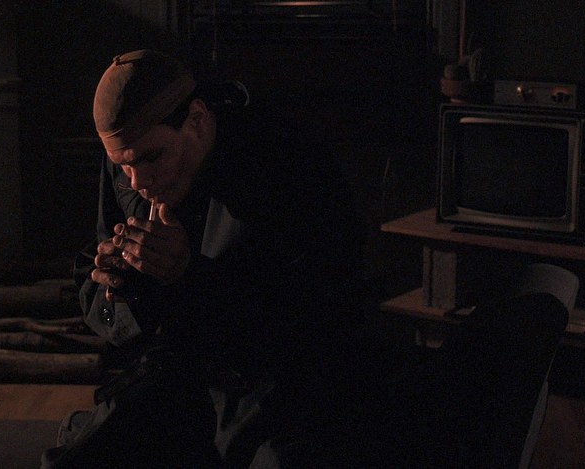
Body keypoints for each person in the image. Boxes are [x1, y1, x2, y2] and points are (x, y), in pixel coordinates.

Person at [40, 49, 369, 468]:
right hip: (180, 373)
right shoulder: (131, 165)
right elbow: (110, 299)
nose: (137, 182)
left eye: (151, 157)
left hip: (279, 383)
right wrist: (121, 285)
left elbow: (317, 317)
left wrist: (189, 275)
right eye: (123, 166)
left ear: (196, 119)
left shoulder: (288, 163)